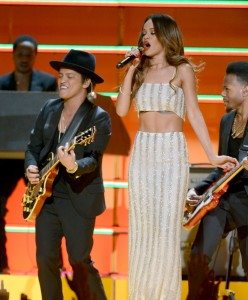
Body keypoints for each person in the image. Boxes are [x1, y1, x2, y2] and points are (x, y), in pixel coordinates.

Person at [115, 13, 237, 300]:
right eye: (143, 32)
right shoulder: (140, 70)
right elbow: (121, 110)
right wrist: (131, 69)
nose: (146, 37)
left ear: (167, 36)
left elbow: (193, 112)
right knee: (143, 230)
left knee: (166, 230)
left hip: (170, 154)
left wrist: (212, 155)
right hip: (143, 153)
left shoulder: (181, 69)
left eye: (153, 32)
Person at [24, 49, 111, 300]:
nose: (62, 80)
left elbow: (93, 159)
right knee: (45, 259)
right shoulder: (49, 108)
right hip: (47, 197)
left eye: (70, 76)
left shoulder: (98, 118)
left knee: (79, 260)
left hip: (78, 196)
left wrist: (73, 166)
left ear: (86, 83)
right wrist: (31, 167)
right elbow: (33, 147)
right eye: (61, 75)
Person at [186, 61, 248, 299]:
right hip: (223, 200)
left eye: (227, 88)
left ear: (245, 90)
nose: (221, 94)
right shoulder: (226, 121)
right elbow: (224, 168)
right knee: (198, 257)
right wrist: (198, 190)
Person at [0, 34, 57, 274]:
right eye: (20, 54)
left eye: (28, 54)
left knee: (46, 207)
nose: (24, 58)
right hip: (4, 157)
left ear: (34, 56)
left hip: (34, 156)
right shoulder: (1, 83)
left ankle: (53, 265)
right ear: (13, 55)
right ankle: (1, 266)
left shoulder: (47, 82)